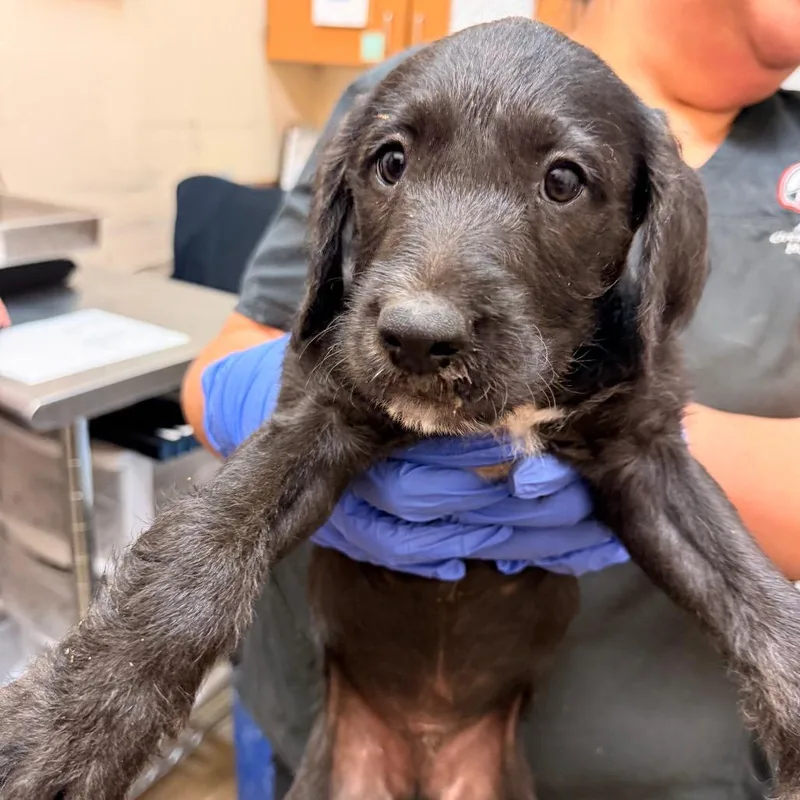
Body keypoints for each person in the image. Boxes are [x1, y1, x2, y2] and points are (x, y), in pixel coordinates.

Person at [181, 1, 800, 796]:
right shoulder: (407, 94)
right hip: (331, 719)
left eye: (564, 182)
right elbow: (219, 368)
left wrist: (638, 453)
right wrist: (267, 400)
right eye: (397, 166)